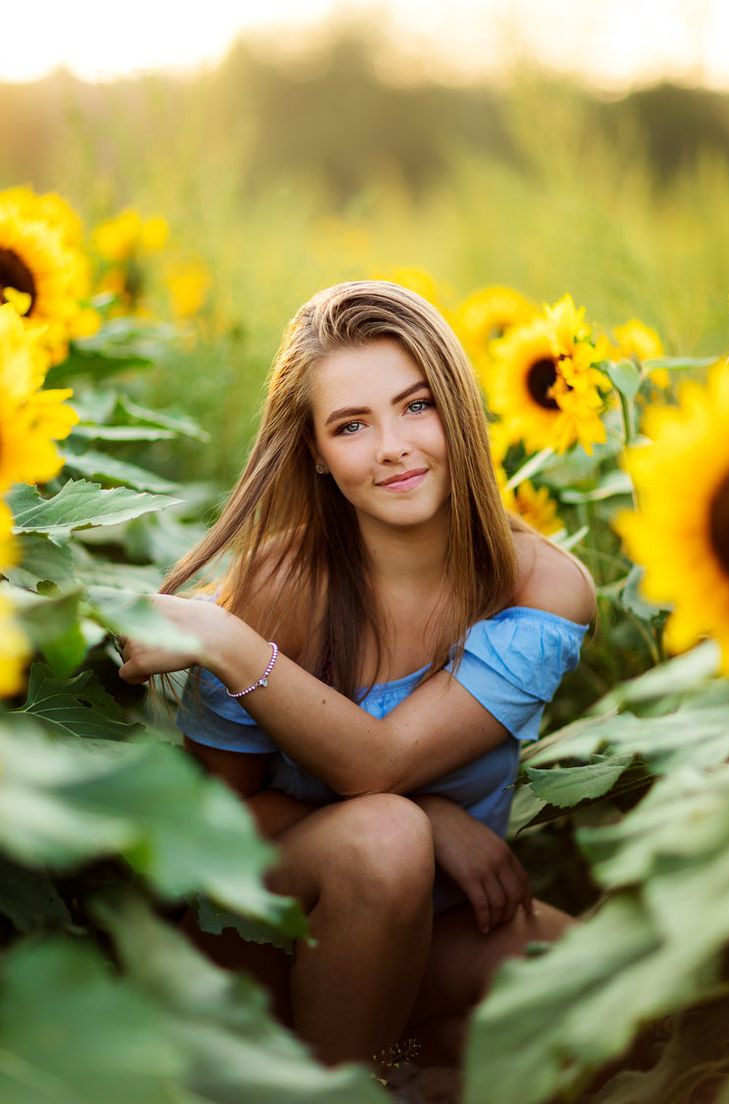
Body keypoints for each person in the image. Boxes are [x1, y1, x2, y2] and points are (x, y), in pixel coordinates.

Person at [118, 280, 595, 1071]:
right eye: (351, 425)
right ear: (314, 450)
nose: (392, 448)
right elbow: (218, 827)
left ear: (459, 405)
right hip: (267, 928)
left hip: (436, 929)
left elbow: (382, 759)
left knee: (623, 990)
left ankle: (406, 1056)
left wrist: (224, 642)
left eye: (417, 406)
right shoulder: (278, 593)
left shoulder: (540, 586)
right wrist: (230, 636)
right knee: (385, 839)